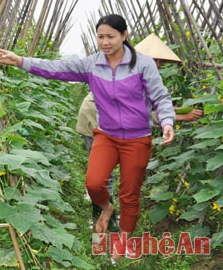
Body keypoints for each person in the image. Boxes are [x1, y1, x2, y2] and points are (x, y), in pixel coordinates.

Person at [0, 14, 176, 258]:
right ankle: (106, 207)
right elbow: (56, 68)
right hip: (107, 135)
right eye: (100, 36)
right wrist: (21, 61)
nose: (105, 42)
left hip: (137, 138)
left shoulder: (142, 64)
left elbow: (160, 96)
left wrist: (167, 121)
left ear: (124, 35)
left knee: (130, 192)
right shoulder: (92, 64)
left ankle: (123, 239)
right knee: (93, 182)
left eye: (110, 36)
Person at [76, 33, 203, 225]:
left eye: (160, 62)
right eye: (157, 61)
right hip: (95, 119)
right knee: (104, 175)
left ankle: (104, 213)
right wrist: (181, 116)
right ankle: (102, 216)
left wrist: (175, 112)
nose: (159, 66)